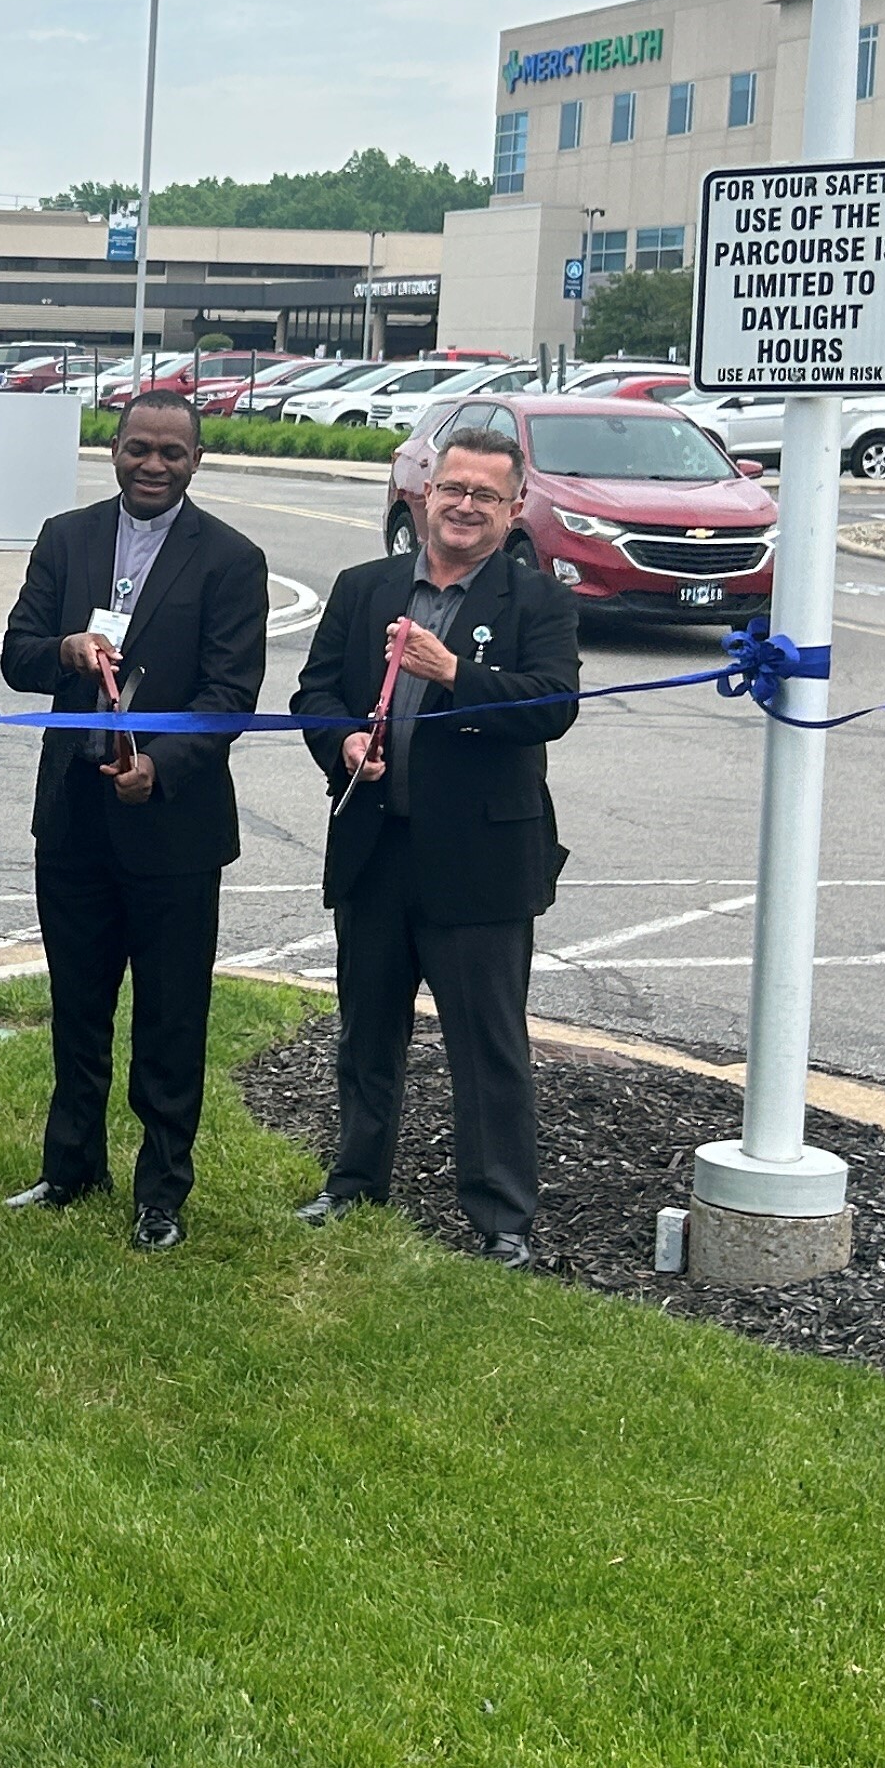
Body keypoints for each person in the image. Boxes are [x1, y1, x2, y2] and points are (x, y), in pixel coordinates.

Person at [290, 425, 580, 1263]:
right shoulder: (363, 586)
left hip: (481, 865)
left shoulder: (539, 603)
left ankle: (500, 1219)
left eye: (486, 495)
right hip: (376, 851)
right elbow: (314, 691)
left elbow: (551, 706)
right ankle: (353, 1184)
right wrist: (342, 742)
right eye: (452, 489)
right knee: (366, 1033)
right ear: (425, 493)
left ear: (514, 507)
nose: (464, 507)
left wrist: (454, 673)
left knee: (487, 1048)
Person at [0, 389, 270, 1251]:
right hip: (74, 820)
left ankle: (163, 1189)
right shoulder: (65, 538)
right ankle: (71, 1165)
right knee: (78, 1006)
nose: (152, 465)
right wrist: (68, 650)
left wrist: (161, 766)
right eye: (137, 449)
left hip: (173, 828)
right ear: (111, 450)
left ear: (196, 461)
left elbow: (231, 698)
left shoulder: (231, 559)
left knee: (170, 1013)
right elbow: (17, 654)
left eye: (171, 453)